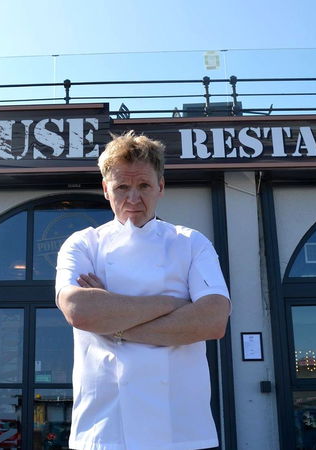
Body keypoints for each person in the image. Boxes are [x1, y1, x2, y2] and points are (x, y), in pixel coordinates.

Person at [55, 131, 231, 450]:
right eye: (122, 187)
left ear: (160, 187)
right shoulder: (83, 244)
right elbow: (80, 311)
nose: (133, 198)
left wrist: (112, 323)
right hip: (103, 429)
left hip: (183, 430)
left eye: (144, 186)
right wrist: (172, 304)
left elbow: (213, 320)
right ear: (106, 189)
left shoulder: (191, 243)